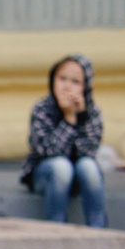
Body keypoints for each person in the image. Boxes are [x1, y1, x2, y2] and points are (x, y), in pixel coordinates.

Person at [24, 55, 108, 228]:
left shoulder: (92, 112)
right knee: (61, 166)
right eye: (62, 79)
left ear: (86, 87)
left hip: (79, 177)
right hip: (47, 176)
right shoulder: (42, 109)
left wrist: (81, 117)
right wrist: (69, 119)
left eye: (76, 82)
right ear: (52, 79)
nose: (67, 86)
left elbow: (89, 152)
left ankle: (98, 229)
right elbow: (47, 150)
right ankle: (57, 228)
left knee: (89, 166)